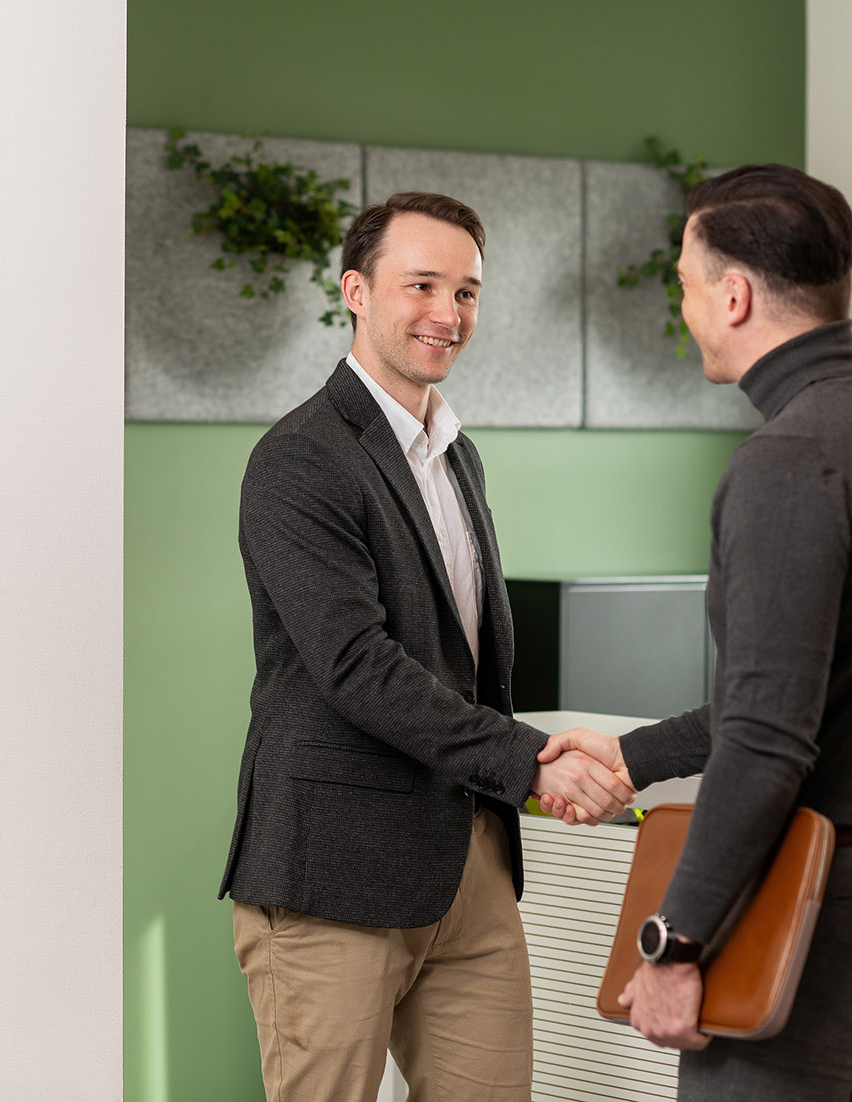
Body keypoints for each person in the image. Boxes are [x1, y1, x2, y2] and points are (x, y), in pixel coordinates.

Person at [542, 164, 852, 1100]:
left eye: (688, 286)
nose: (688, 309)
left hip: (823, 918)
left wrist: (677, 939)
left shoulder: (786, 461)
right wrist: (636, 755)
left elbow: (770, 736)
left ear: (733, 295)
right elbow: (810, 691)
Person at [219, 190, 634, 1102]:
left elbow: (464, 660)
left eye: (468, 292)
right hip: (334, 873)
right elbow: (356, 666)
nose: (447, 314)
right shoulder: (298, 459)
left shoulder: (454, 454)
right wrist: (530, 761)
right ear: (356, 292)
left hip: (468, 864)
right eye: (422, 286)